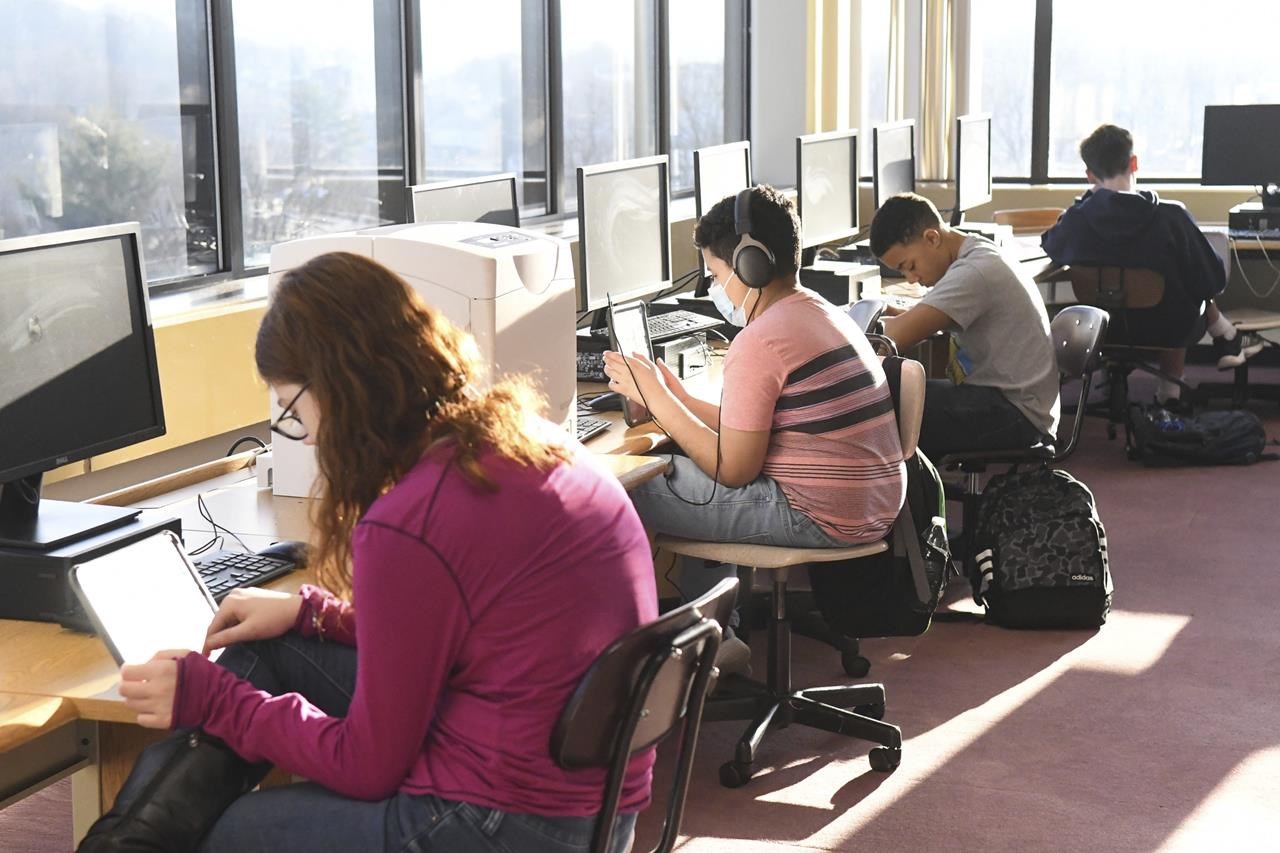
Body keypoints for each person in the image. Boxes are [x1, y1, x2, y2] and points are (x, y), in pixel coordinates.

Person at [78, 252, 657, 853]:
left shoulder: (414, 521)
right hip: (595, 801)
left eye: (297, 412)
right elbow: (463, 627)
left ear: (341, 392)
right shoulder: (525, 443)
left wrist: (213, 698)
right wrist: (314, 615)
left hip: (508, 824)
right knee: (269, 648)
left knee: (226, 836)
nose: (311, 435)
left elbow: (368, 766)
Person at [604, 185, 906, 667]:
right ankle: (718, 632)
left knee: (620, 490)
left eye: (716, 273)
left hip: (820, 514)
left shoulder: (762, 340)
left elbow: (734, 469)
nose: (713, 288)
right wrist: (678, 400)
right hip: (870, 503)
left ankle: (663, 655)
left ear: (751, 266)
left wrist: (655, 400)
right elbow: (752, 430)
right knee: (680, 459)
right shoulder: (818, 311)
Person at [1041, 123, 1262, 408]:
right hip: (1165, 326)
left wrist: (1084, 205)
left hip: (1098, 330)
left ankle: (1222, 337)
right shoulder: (1171, 216)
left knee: (1176, 276)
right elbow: (1213, 280)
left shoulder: (1077, 219)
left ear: (1089, 175)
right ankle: (1171, 393)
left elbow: (1051, 245)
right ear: (1134, 162)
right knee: (1185, 279)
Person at [869, 192, 1060, 460]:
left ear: (932, 238)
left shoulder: (974, 272)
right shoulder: (974, 252)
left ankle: (903, 499)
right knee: (897, 394)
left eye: (909, 266)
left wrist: (841, 326)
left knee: (880, 403)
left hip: (1016, 413)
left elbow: (895, 338)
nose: (911, 279)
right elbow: (923, 318)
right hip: (1013, 400)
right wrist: (889, 313)